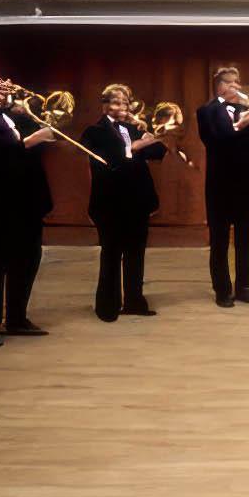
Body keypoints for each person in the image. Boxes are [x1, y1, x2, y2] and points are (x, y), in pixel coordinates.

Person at [0, 78, 57, 346]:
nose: (10, 94)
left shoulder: (17, 116)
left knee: (27, 260)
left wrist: (32, 121)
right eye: (1, 91)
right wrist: (33, 140)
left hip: (27, 201)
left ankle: (17, 318)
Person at [81, 86, 168, 322]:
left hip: (137, 200)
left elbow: (159, 152)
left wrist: (147, 130)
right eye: (117, 103)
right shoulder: (94, 131)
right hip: (110, 201)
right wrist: (132, 148)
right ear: (105, 105)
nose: (123, 108)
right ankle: (107, 306)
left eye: (126, 103)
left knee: (135, 252)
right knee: (111, 253)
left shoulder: (133, 127)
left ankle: (134, 301)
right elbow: (105, 164)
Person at [196, 66, 249, 308]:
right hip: (220, 184)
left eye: (239, 83)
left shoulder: (245, 109)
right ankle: (222, 289)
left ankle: (244, 285)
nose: (238, 87)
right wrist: (245, 120)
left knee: (245, 237)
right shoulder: (206, 111)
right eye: (232, 83)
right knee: (219, 239)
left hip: (247, 182)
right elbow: (220, 137)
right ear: (221, 86)